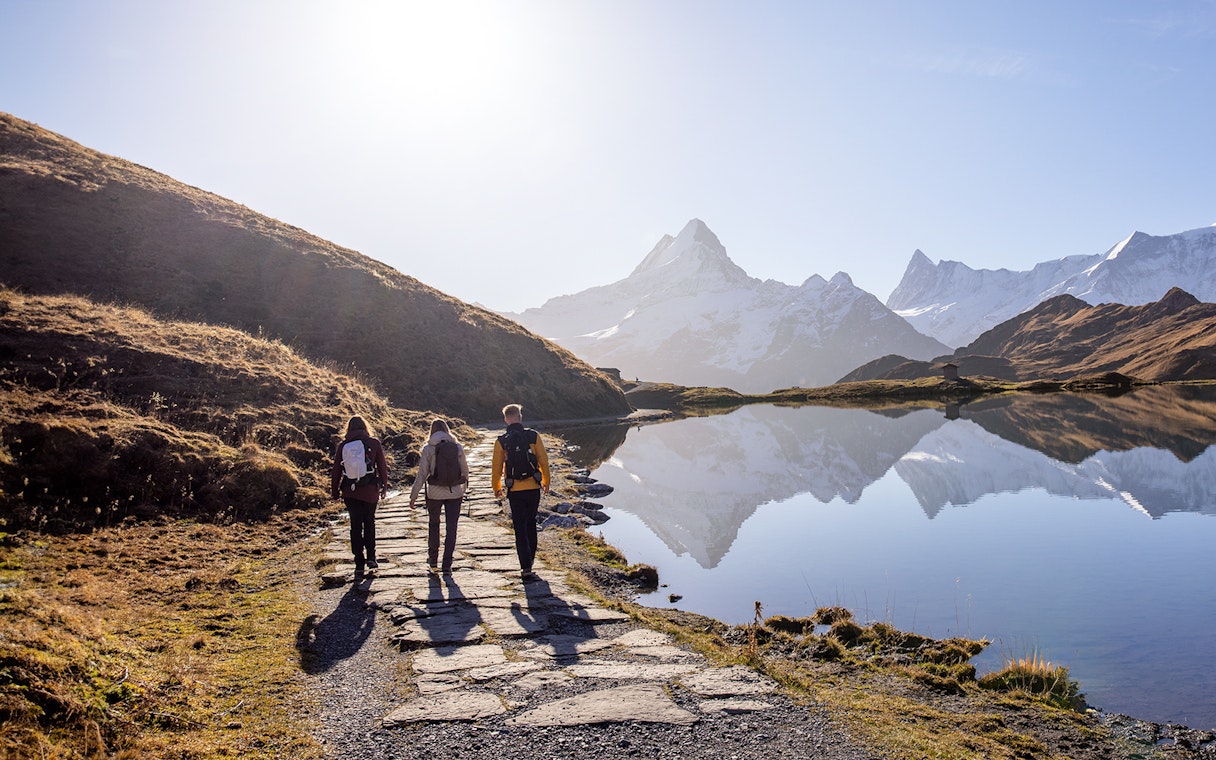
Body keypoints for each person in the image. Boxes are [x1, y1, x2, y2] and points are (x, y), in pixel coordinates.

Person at [491, 403, 550, 582]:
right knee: (531, 523)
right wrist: (546, 481)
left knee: (519, 527)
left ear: (505, 419)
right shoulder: (533, 436)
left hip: (514, 489)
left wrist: (496, 487)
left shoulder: (501, 441)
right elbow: (543, 460)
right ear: (520, 417)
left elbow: (496, 467)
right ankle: (530, 560)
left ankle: (525, 567)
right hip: (533, 487)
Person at [330, 415, 389, 582]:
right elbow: (382, 468)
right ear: (365, 427)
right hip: (370, 490)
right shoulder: (374, 443)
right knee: (369, 521)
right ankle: (371, 556)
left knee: (355, 525)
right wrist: (384, 486)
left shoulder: (343, 446)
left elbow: (336, 471)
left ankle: (358, 563)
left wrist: (335, 492)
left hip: (351, 491)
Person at [409, 418, 469, 574]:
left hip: (434, 493)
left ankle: (433, 560)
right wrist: (462, 489)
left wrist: (413, 496)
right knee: (452, 527)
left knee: (434, 525)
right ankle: (447, 565)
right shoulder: (457, 447)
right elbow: (465, 472)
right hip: (454, 492)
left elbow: (422, 474)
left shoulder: (428, 449)